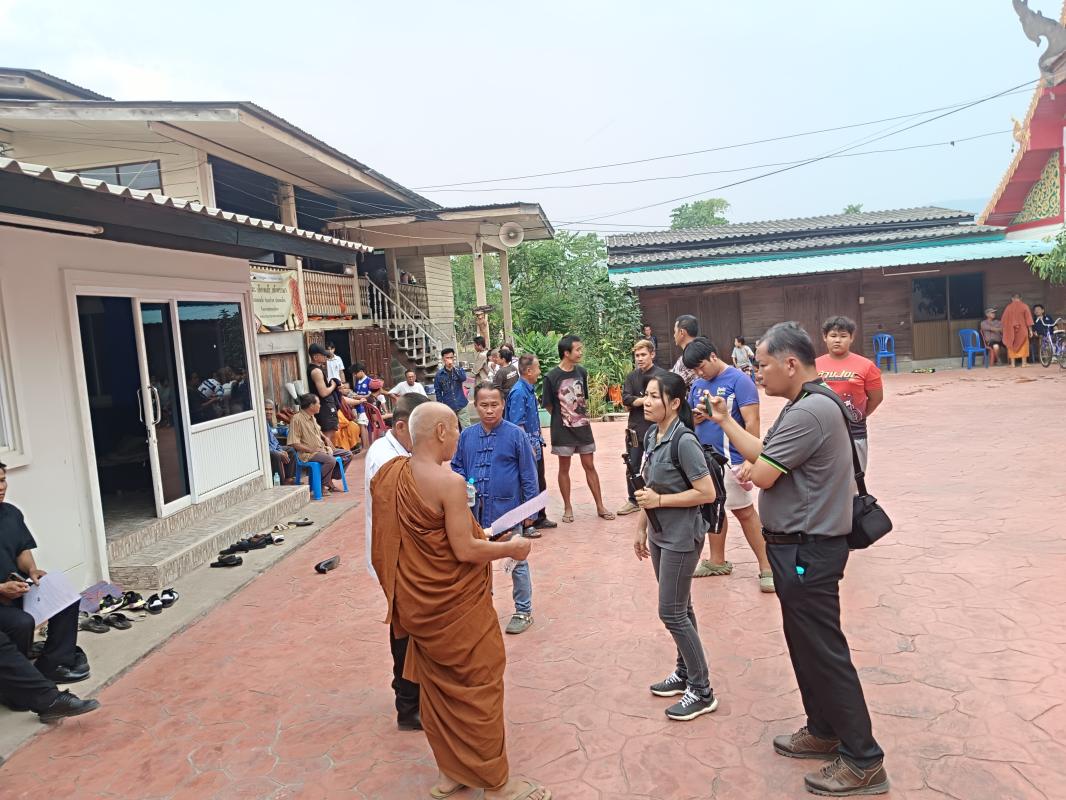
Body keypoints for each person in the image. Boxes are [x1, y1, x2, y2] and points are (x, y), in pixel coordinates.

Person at [707, 322, 888, 796]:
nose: (757, 373)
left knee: (824, 652)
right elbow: (765, 455)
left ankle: (864, 759)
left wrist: (757, 469)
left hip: (809, 548)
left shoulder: (811, 411)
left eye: (763, 364)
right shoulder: (803, 403)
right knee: (806, 645)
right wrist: (726, 422)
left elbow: (764, 473)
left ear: (790, 364)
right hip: (797, 547)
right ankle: (824, 730)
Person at [370, 402, 549, 800]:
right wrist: (511, 549)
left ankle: (451, 773)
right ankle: (497, 784)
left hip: (419, 606)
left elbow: (397, 542)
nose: (458, 438)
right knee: (480, 685)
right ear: (440, 432)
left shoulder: (390, 475)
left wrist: (477, 536)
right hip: (455, 608)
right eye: (454, 431)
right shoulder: (448, 483)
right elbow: (464, 550)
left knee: (438, 691)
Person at [632, 373, 719, 721]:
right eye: (647, 395)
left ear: (675, 403)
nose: (647, 401)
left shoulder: (684, 441)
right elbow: (649, 486)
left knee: (671, 612)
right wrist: (641, 527)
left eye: (655, 396)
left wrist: (660, 501)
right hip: (659, 533)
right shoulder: (653, 434)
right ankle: (684, 673)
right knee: (682, 607)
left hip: (682, 537)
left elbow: (706, 493)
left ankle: (702, 690)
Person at [0, 462, 99, 715]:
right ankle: (17, 689)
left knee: (65, 597)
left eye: (2, 480)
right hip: (3, 596)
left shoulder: (10, 513)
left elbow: (22, 550)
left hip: (17, 589)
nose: (1, 487)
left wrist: (32, 570)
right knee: (21, 622)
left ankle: (52, 664)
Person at [683, 339, 773, 591]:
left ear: (713, 356)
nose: (699, 373)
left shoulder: (739, 381)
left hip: (731, 459)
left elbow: (752, 421)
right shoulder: (698, 385)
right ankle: (717, 561)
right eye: (694, 370)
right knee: (713, 509)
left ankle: (768, 566)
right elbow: (690, 419)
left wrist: (750, 460)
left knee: (744, 512)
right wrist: (696, 417)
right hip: (704, 460)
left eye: (701, 366)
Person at [363, 393, 430, 732]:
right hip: (396, 557)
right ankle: (408, 704)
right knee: (405, 628)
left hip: (405, 555)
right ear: (401, 427)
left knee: (414, 625)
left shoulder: (402, 453)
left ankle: (415, 693)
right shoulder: (385, 459)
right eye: (422, 434)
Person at [453, 384, 540, 635]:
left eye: (494, 405)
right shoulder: (467, 436)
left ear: (503, 405)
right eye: (484, 405)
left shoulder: (515, 435)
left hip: (508, 511)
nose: (489, 410)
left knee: (516, 561)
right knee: (478, 562)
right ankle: (482, 607)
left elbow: (529, 474)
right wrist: (463, 483)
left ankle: (523, 611)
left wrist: (530, 512)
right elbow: (457, 467)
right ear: (475, 406)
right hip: (475, 514)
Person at [542, 335, 614, 522]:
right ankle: (567, 507)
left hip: (583, 428)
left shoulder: (581, 372)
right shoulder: (551, 377)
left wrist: (577, 417)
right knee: (564, 467)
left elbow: (583, 399)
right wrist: (565, 417)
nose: (581, 353)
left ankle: (600, 505)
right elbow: (548, 405)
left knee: (589, 465)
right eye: (578, 350)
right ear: (566, 353)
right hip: (562, 430)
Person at [816, 316, 883, 473]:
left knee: (854, 478)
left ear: (851, 338)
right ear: (825, 337)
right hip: (821, 430)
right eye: (833, 335)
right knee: (824, 477)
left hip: (855, 431)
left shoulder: (867, 366)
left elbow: (876, 398)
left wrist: (856, 415)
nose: (837, 340)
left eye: (843, 336)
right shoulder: (814, 365)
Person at [616, 339, 669, 517]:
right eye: (637, 355)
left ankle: (660, 496)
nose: (639, 358)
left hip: (658, 428)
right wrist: (644, 400)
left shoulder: (662, 375)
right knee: (632, 465)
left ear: (652, 354)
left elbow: (666, 399)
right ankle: (633, 500)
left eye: (643, 354)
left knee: (659, 463)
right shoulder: (632, 377)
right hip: (635, 428)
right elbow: (625, 399)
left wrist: (636, 401)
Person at [506, 354, 557, 531]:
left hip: (535, 443)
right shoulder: (519, 392)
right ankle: (528, 523)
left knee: (539, 481)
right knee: (528, 483)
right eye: (537, 368)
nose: (539, 372)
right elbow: (517, 424)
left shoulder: (528, 388)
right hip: (526, 447)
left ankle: (540, 517)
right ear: (528, 371)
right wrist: (527, 448)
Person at [287, 394, 352, 494]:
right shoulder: (297, 419)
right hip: (308, 453)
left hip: (322, 449)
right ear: (311, 406)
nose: (320, 406)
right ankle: (320, 484)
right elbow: (294, 443)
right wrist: (312, 450)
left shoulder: (312, 416)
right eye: (318, 403)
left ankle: (328, 479)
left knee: (348, 455)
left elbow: (317, 430)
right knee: (330, 460)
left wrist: (325, 438)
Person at [307, 343, 341, 444]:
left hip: (324, 406)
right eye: (323, 355)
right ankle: (328, 454)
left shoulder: (317, 369)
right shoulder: (316, 371)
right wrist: (333, 385)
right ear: (315, 357)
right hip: (324, 408)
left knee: (328, 436)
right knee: (327, 438)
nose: (325, 357)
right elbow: (323, 392)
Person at [433, 348, 470, 428]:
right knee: (452, 429)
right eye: (447, 358)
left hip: (461, 403)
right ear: (443, 359)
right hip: (449, 406)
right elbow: (438, 391)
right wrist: (441, 406)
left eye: (451, 357)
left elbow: (463, 378)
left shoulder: (458, 369)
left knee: (466, 427)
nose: (449, 359)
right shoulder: (439, 374)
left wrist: (454, 368)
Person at [264, 400, 295, 485]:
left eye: (271, 409)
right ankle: (280, 483)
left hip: (272, 448)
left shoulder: (267, 422)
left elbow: (274, 441)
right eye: (266, 409)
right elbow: (263, 446)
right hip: (263, 451)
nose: (269, 412)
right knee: (276, 455)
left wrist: (280, 450)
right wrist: (278, 451)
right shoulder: (259, 423)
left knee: (290, 450)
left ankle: (288, 479)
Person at [1001, 292, 1035, 368]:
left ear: (1012, 299)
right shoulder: (1024, 306)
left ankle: (1012, 364)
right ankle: (1024, 363)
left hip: (1011, 330)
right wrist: (1030, 331)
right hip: (1022, 329)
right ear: (1021, 298)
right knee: (1024, 345)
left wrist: (1005, 331)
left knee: (1011, 344)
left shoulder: (1008, 307)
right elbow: (1028, 320)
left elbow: (1003, 320)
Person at [672, 315, 700, 390]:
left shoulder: (693, 356)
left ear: (681, 332)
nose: (674, 335)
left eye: (675, 331)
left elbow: (673, 384)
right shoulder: (694, 352)